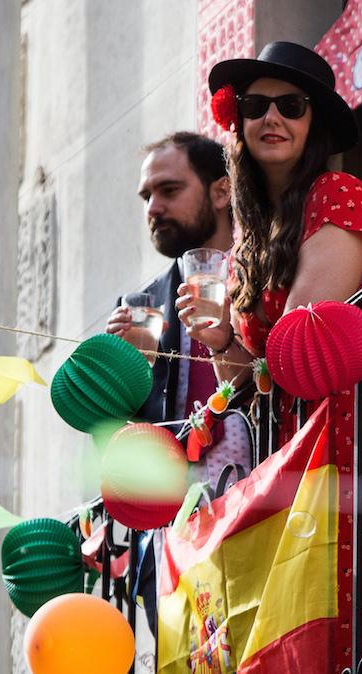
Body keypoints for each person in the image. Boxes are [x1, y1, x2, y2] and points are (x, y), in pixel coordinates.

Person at [175, 42, 362, 671]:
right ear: (238, 120)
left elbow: (300, 340)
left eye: (291, 105)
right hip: (301, 432)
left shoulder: (338, 194)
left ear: (315, 124)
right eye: (256, 105)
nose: (271, 118)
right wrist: (220, 339)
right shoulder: (250, 237)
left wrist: (241, 344)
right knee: (318, 613)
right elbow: (250, 384)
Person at [105, 131, 252, 638]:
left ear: (220, 191)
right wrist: (125, 379)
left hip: (257, 512)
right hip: (176, 545)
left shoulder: (264, 271)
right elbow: (122, 448)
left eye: (168, 190)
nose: (153, 207)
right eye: (147, 196)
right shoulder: (141, 306)